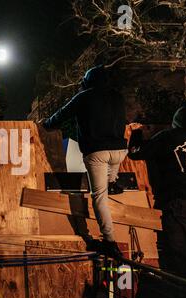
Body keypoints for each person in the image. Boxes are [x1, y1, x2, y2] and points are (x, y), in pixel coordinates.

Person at [40, 65, 127, 258]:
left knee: (99, 197)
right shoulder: (117, 96)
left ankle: (109, 241)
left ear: (87, 82)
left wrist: (46, 124)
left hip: (98, 152)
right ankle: (113, 180)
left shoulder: (84, 96)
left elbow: (60, 116)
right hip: (120, 151)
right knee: (108, 180)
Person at [128, 107, 186, 290]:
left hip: (180, 206)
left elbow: (136, 152)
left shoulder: (167, 137)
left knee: (176, 263)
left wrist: (137, 132)